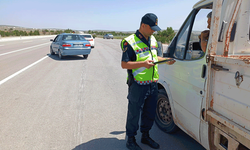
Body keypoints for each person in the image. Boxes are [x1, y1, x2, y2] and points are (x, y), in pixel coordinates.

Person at [121, 13, 175, 150]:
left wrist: (166, 61)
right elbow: (124, 64)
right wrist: (142, 64)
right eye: (152, 28)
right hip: (137, 85)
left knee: (149, 112)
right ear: (143, 25)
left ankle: (145, 136)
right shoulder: (130, 41)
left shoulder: (153, 40)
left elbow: (155, 57)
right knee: (134, 113)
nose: (154, 31)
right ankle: (131, 140)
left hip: (152, 83)